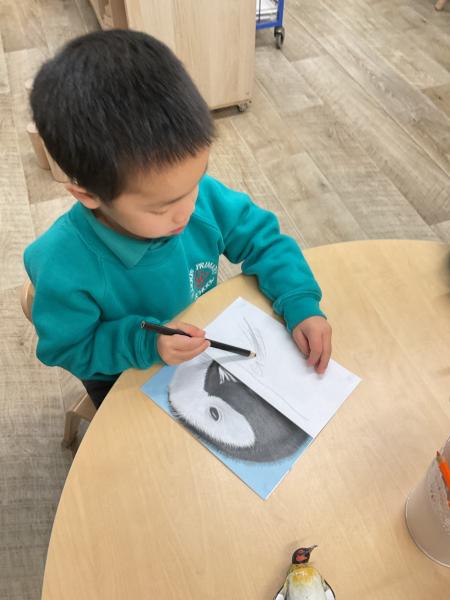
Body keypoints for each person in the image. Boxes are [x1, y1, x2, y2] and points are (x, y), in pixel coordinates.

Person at [24, 30, 332, 408]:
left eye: (195, 182)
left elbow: (264, 241)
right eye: (161, 208)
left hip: (197, 346)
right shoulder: (63, 264)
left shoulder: (200, 199)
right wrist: (146, 344)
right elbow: (68, 348)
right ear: (89, 196)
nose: (188, 210)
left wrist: (299, 300)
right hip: (122, 375)